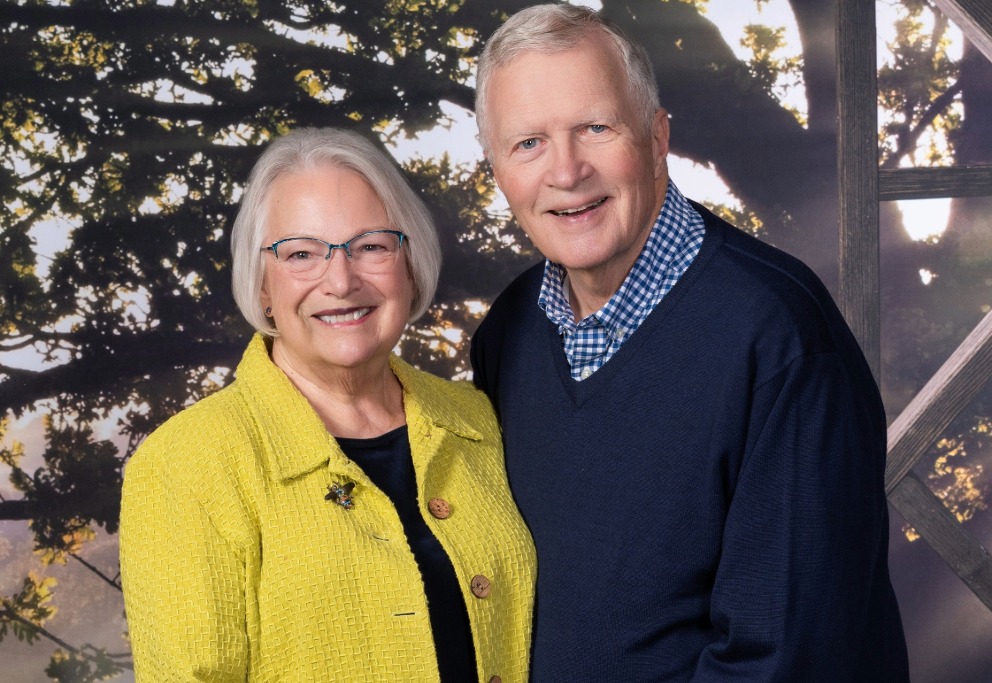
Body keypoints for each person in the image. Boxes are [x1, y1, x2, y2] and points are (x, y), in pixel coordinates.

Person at [469, 5, 909, 682]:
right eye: (528, 143)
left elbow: (787, 661)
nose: (566, 171)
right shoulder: (509, 332)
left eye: (595, 128)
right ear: (498, 170)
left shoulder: (780, 336)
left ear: (656, 137)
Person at [120, 127, 536, 682]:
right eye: (300, 253)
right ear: (262, 285)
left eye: (371, 246)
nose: (340, 281)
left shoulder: (477, 420)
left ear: (409, 265)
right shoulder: (185, 465)